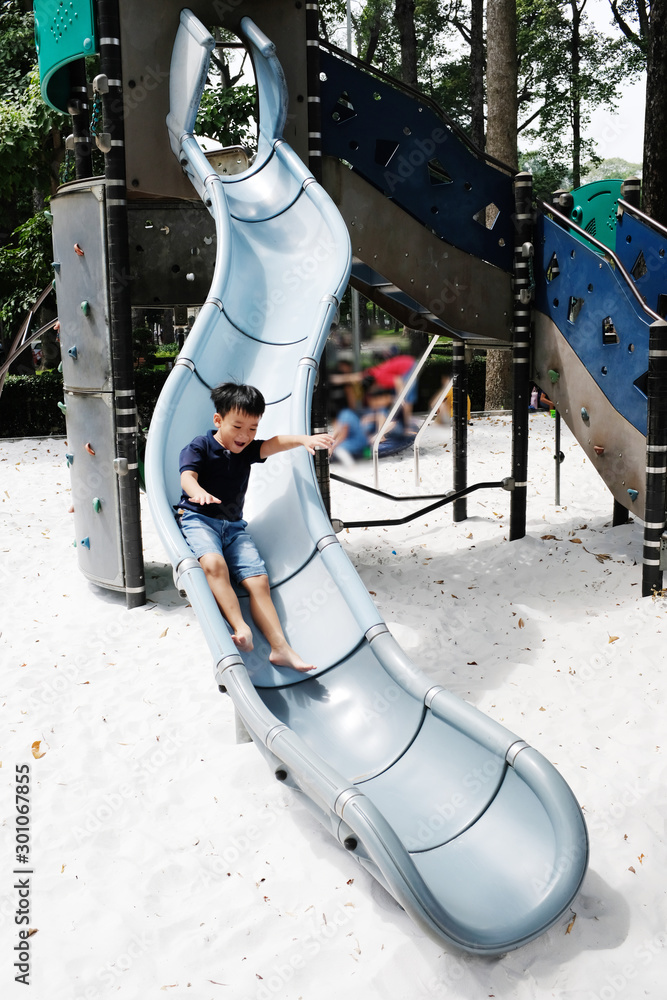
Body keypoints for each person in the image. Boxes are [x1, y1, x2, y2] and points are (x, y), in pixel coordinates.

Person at [177, 382, 334, 672]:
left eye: (252, 428)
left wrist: (303, 440)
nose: (245, 435)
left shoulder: (247, 450)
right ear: (218, 420)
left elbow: (274, 443)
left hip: (234, 527)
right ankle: (241, 626)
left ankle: (280, 648)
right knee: (214, 564)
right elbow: (187, 475)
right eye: (238, 426)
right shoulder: (200, 445)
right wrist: (196, 491)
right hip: (199, 519)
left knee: (259, 581)